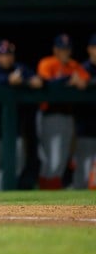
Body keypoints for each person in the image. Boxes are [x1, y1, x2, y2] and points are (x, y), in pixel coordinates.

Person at [0, 40, 43, 191]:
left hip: (13, 131)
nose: (6, 58)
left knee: (15, 166)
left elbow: (38, 80)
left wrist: (30, 80)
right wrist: (7, 80)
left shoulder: (19, 69)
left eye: (9, 54)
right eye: (2, 54)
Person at [36, 33, 89, 189]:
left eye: (67, 49)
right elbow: (46, 82)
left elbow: (86, 80)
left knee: (62, 157)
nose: (64, 52)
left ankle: (51, 193)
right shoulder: (47, 63)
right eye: (61, 49)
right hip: (49, 115)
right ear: (55, 50)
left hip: (67, 115)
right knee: (52, 159)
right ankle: (45, 191)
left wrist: (80, 80)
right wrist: (67, 79)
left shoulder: (73, 65)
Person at [76, 33, 96, 189]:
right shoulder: (82, 69)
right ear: (90, 49)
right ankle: (75, 209)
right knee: (82, 173)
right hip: (85, 127)